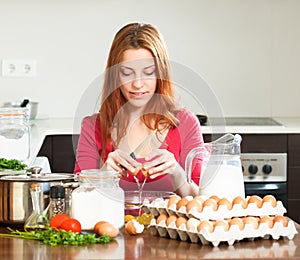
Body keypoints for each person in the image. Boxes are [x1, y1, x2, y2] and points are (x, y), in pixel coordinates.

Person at [74, 22, 204, 197]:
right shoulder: (92, 126)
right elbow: (79, 199)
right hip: (112, 225)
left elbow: (201, 201)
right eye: (127, 73)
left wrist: (177, 173)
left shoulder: (186, 123)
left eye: (148, 72)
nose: (137, 84)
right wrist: (104, 175)